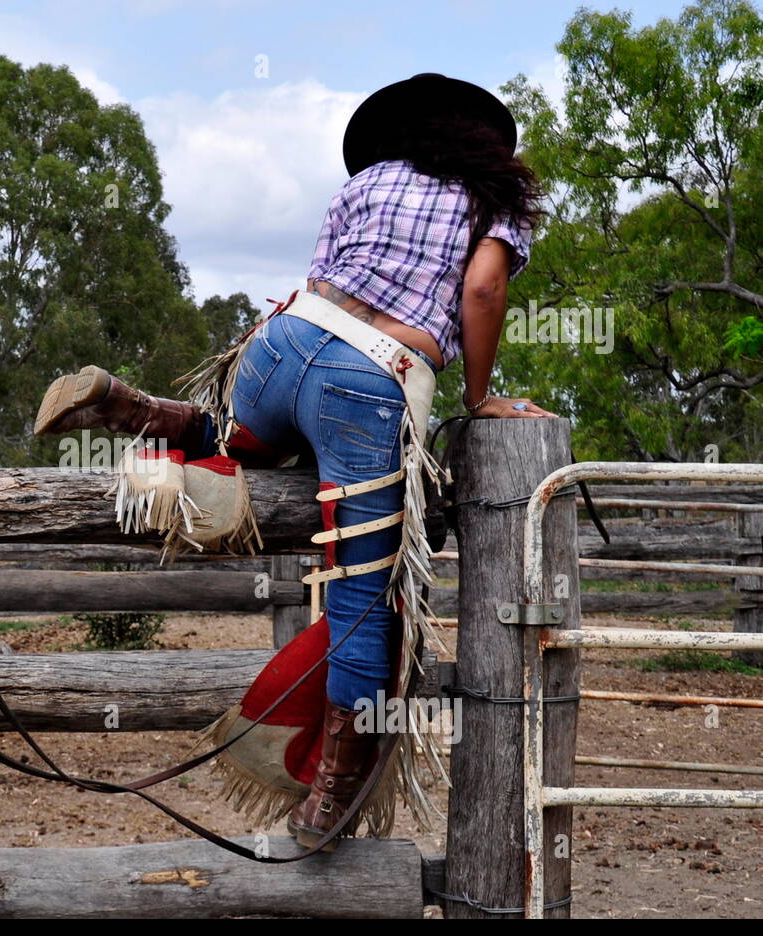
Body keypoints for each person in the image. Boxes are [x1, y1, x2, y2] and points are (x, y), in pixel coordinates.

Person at [34, 73, 552, 848]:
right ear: (483, 142)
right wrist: (478, 399)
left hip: (281, 344)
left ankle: (144, 412)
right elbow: (480, 289)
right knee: (362, 591)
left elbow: (318, 282)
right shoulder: (494, 203)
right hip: (372, 379)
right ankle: (330, 790)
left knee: (251, 441)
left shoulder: (370, 182)